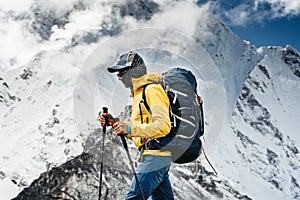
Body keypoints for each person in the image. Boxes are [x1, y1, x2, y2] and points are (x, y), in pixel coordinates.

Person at [99, 50, 174, 200]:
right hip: (155, 155)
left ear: (133, 72)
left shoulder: (152, 90)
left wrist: (129, 128)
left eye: (121, 73)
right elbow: (142, 132)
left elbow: (164, 125)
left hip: (155, 156)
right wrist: (114, 124)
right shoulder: (139, 94)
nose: (118, 78)